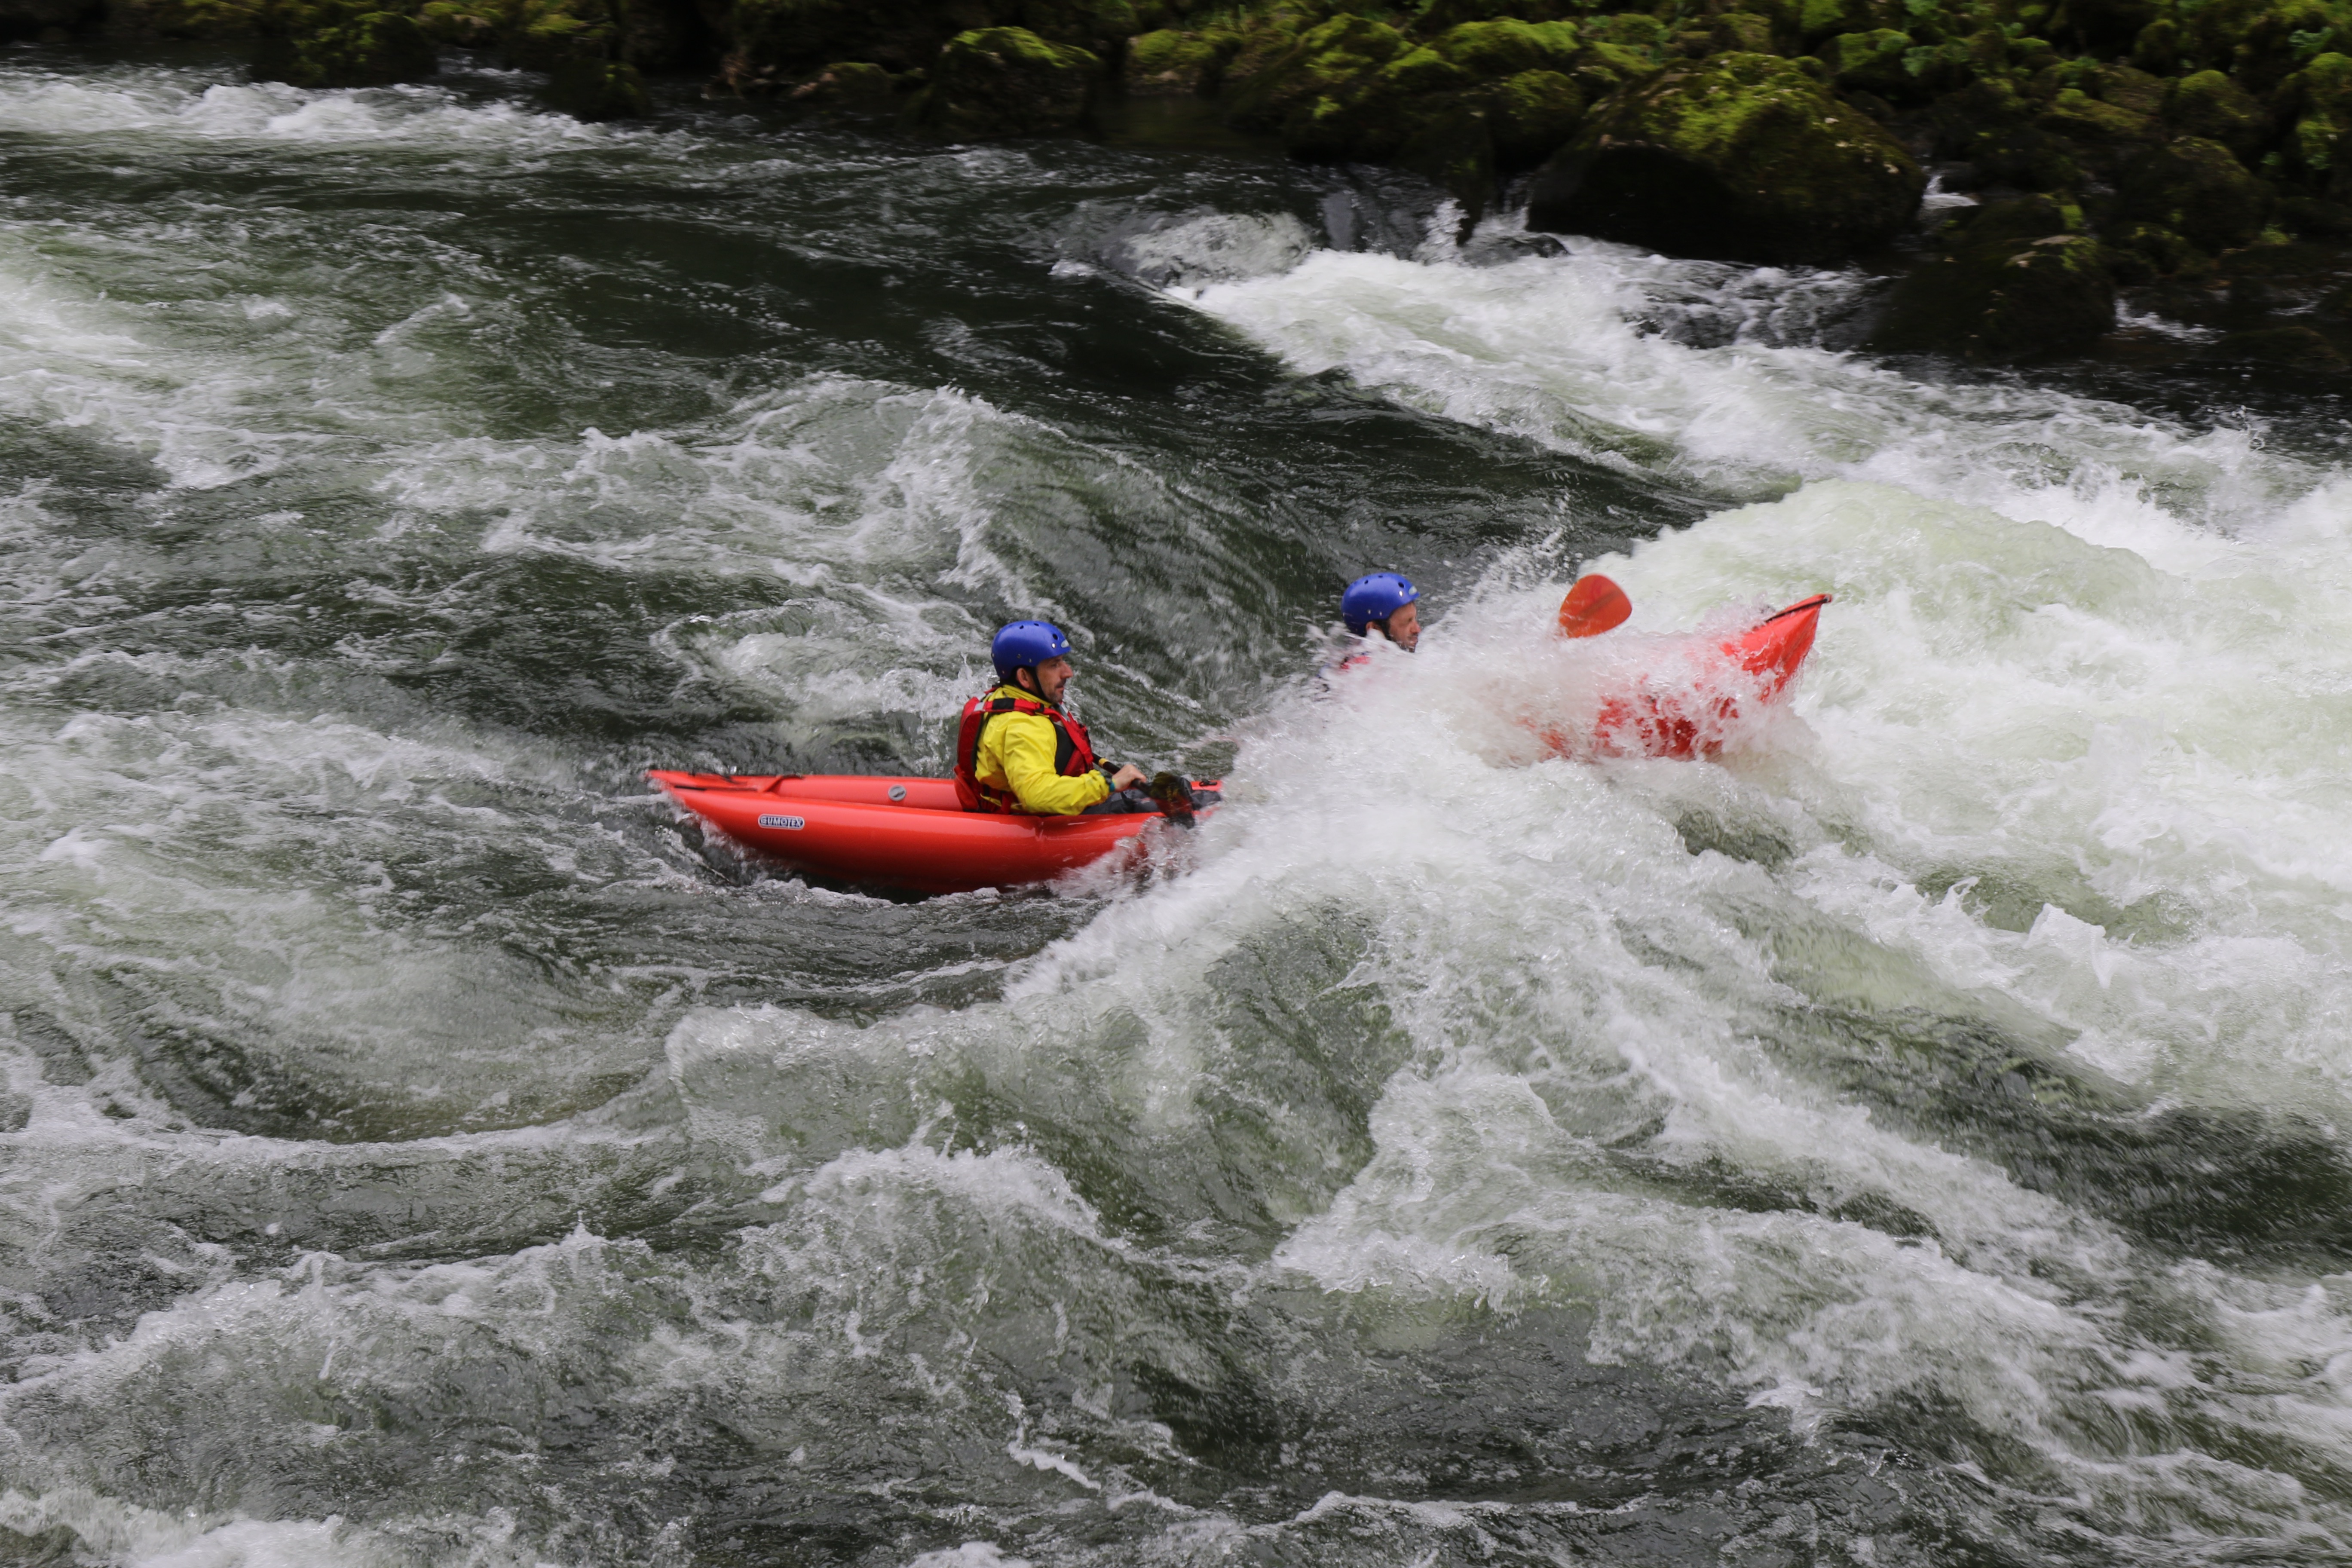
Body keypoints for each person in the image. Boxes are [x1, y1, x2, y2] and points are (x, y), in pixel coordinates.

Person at [1342, 572, 1421, 652]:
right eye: (1407, 622)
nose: (1418, 630)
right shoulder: (1366, 659)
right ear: (1374, 629)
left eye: (1415, 619)